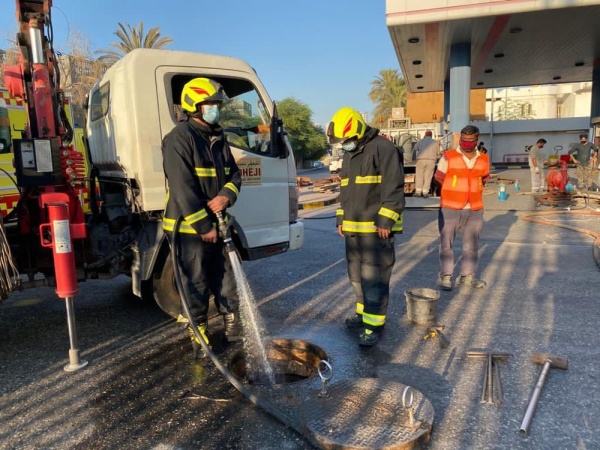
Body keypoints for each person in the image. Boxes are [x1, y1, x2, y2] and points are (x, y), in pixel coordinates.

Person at [161, 77, 243, 358]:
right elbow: (183, 188)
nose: (215, 109)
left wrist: (226, 196)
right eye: (210, 104)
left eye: (217, 104)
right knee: (195, 282)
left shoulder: (218, 137)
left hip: (218, 223)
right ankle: (200, 335)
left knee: (226, 278)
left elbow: (234, 174)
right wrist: (203, 226)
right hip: (189, 228)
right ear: (194, 106)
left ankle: (233, 327)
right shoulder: (180, 138)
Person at [326, 107, 405, 347]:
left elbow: (394, 187)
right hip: (353, 230)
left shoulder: (384, 148)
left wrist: (387, 220)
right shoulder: (351, 154)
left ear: (359, 132)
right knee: (357, 277)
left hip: (375, 230)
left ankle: (374, 325)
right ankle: (362, 315)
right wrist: (341, 217)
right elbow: (346, 190)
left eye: (347, 140)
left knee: (374, 278)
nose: (344, 145)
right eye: (342, 142)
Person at [435, 125, 490, 291]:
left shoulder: (484, 159)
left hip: (474, 208)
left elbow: (484, 179)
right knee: (446, 243)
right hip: (450, 207)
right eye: (463, 140)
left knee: (471, 245)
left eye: (470, 141)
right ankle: (445, 276)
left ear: (477, 140)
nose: (466, 143)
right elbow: (439, 178)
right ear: (460, 140)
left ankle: (468, 276)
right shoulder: (448, 157)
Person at [413, 130, 440, 197]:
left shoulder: (421, 141)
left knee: (419, 175)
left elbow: (415, 148)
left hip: (421, 160)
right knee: (428, 176)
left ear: (425, 135)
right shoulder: (435, 142)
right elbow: (438, 153)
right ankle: (425, 192)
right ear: (431, 135)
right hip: (431, 160)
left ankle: (418, 192)